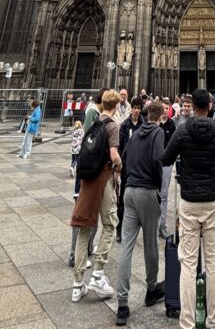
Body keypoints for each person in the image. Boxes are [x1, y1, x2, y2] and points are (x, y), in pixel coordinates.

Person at [162, 88, 215, 329]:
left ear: (192, 106)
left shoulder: (182, 131)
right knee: (213, 262)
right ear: (209, 106)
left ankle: (187, 323)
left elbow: (166, 158)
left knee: (188, 265)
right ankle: (214, 322)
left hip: (189, 201)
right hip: (211, 201)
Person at [115, 100, 166, 326]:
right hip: (146, 191)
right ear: (161, 116)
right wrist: (156, 184)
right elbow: (158, 160)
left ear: (145, 114)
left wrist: (129, 179)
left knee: (126, 245)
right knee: (150, 243)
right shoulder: (157, 133)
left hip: (130, 191)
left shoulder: (135, 133)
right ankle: (152, 289)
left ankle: (122, 303)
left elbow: (122, 159)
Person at [71, 88, 121, 303]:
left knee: (84, 228)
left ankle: (77, 284)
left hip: (87, 181)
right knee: (110, 224)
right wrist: (119, 166)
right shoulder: (112, 126)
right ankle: (98, 273)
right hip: (103, 179)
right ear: (116, 106)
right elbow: (114, 155)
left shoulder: (92, 124)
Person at [116, 97, 144, 242]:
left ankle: (134, 229)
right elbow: (120, 146)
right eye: (135, 107)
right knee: (122, 198)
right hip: (127, 166)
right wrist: (120, 165)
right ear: (131, 108)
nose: (137, 110)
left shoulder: (143, 124)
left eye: (139, 108)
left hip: (139, 167)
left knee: (138, 199)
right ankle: (119, 229)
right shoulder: (125, 125)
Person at [158, 105, 176, 238]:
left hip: (166, 164)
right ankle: (152, 224)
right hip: (153, 163)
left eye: (167, 108)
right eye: (163, 108)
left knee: (163, 195)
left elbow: (174, 144)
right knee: (153, 194)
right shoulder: (155, 123)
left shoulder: (172, 125)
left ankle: (162, 225)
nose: (165, 110)